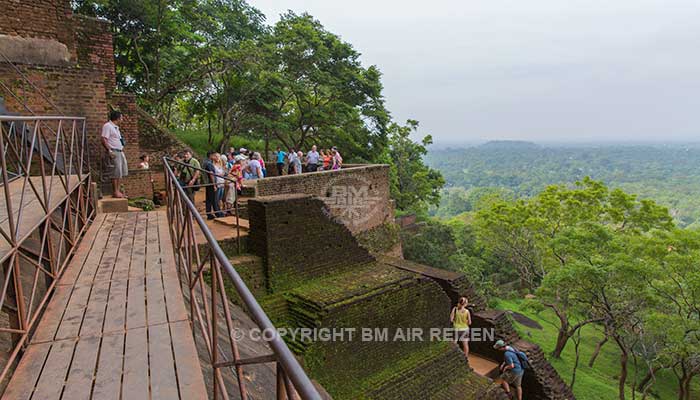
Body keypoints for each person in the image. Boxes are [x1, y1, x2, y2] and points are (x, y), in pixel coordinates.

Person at [101, 110, 128, 198]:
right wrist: (109, 150)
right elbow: (104, 139)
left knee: (120, 172)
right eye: (121, 118)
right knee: (115, 172)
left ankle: (118, 190)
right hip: (114, 151)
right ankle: (115, 191)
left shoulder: (116, 128)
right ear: (117, 118)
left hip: (120, 151)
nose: (122, 120)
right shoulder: (107, 126)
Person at [203, 151, 224, 219]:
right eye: (215, 156)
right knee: (214, 199)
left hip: (209, 183)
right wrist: (214, 185)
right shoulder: (209, 164)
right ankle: (217, 213)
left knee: (209, 199)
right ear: (211, 156)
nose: (216, 157)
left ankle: (209, 213)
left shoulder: (206, 162)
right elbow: (211, 175)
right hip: (212, 183)